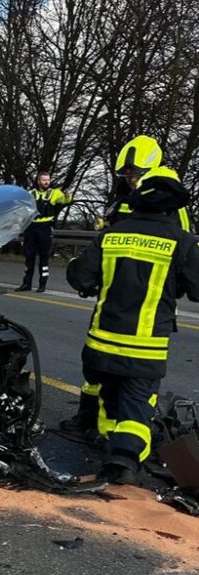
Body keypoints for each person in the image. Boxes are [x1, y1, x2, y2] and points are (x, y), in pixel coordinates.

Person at [66, 166, 199, 483]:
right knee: (136, 409)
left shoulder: (112, 235)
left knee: (109, 402)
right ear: (173, 207)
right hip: (144, 350)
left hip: (100, 345)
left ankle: (108, 444)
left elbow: (79, 277)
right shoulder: (181, 242)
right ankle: (123, 462)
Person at [17, 170, 72, 292]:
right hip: (31, 228)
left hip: (45, 228)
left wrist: (68, 195)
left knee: (44, 257)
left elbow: (65, 201)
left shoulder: (55, 193)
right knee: (29, 256)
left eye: (48, 180)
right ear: (38, 181)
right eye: (44, 180)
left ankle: (42, 284)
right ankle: (26, 284)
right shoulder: (31, 193)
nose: (46, 182)